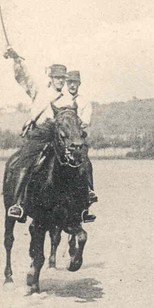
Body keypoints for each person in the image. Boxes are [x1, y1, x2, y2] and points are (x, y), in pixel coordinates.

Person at [3, 46, 68, 220]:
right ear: (51, 78)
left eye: (63, 78)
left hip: (60, 139)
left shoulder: (67, 99)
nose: (60, 81)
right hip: (39, 136)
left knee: (77, 164)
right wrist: (16, 59)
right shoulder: (41, 92)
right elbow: (25, 78)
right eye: (57, 77)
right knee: (25, 163)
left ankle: (79, 204)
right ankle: (17, 204)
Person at [56, 70, 98, 221]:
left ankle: (88, 195)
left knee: (86, 163)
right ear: (66, 84)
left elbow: (85, 121)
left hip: (78, 139)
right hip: (62, 139)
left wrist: (74, 122)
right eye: (70, 82)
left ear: (79, 84)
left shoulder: (85, 102)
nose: (72, 85)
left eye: (75, 82)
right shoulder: (59, 99)